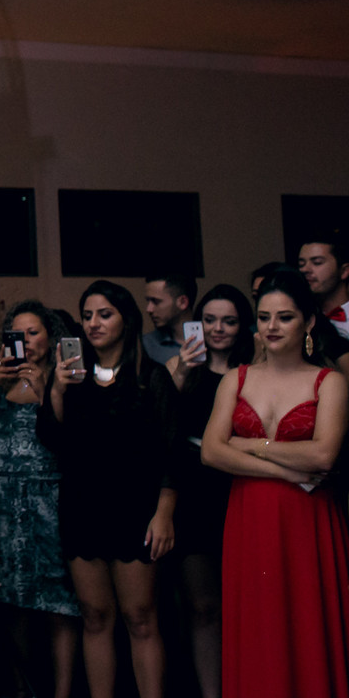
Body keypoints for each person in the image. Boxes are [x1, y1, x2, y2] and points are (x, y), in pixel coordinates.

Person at [201, 267, 349, 698]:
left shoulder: (330, 382)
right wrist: (286, 469)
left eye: (284, 317)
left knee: (306, 623)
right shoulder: (236, 378)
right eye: (264, 317)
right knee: (260, 627)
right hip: (251, 517)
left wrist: (247, 445)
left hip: (307, 520)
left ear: (309, 321)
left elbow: (323, 454)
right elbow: (211, 452)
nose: (271, 327)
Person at [41, 280, 177, 698]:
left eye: (105, 314)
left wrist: (164, 512)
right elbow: (50, 438)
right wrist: (59, 388)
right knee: (95, 616)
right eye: (87, 315)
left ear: (126, 319)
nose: (94, 323)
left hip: (135, 509)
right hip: (83, 507)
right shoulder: (71, 376)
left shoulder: (150, 377)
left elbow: (172, 452)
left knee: (139, 617)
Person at [0, 300, 79, 698]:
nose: (25, 341)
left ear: (50, 335)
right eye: (16, 335)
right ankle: (21, 688)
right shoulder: (0, 381)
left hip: (48, 493)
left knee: (58, 600)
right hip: (4, 497)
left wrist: (44, 387)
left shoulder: (62, 376)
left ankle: (63, 691)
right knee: (11, 598)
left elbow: (65, 434)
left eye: (33, 332)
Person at [163, 284, 254, 698]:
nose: (218, 329)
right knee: (202, 606)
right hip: (192, 495)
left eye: (229, 321)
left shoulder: (255, 370)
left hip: (243, 488)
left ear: (242, 326)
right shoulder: (179, 366)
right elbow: (161, 427)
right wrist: (181, 368)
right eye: (211, 320)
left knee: (247, 602)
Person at [298, 231, 349, 338]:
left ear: (344, 271)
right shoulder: (299, 317)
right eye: (301, 264)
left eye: (317, 262)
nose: (305, 269)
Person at [142, 273, 196, 365]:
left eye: (156, 301)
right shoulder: (146, 344)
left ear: (182, 302)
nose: (149, 309)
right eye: (148, 301)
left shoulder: (214, 339)